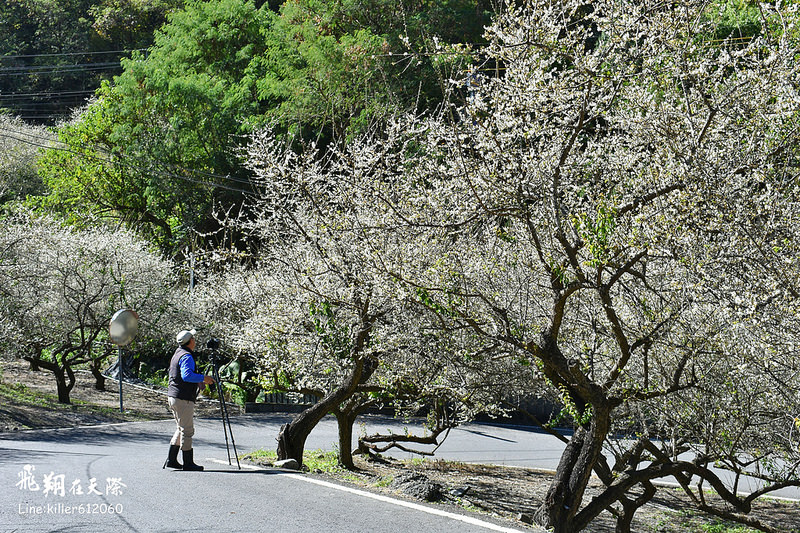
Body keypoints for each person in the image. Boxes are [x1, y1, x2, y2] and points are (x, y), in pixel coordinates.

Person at [164, 329, 215, 471]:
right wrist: (203, 378)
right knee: (187, 430)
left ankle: (172, 460)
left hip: (174, 396)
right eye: (193, 338)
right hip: (182, 398)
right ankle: (188, 462)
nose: (195, 340)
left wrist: (198, 379)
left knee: (180, 428)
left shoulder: (177, 353)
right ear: (190, 341)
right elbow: (186, 376)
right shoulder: (187, 356)